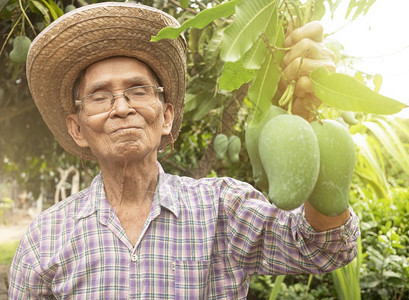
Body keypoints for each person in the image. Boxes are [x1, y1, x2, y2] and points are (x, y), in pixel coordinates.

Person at [9, 2, 359, 299]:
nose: (121, 107)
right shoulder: (45, 240)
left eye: (139, 91)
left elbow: (324, 248)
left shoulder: (224, 208)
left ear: (166, 117)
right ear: (77, 129)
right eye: (100, 96)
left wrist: (305, 119)